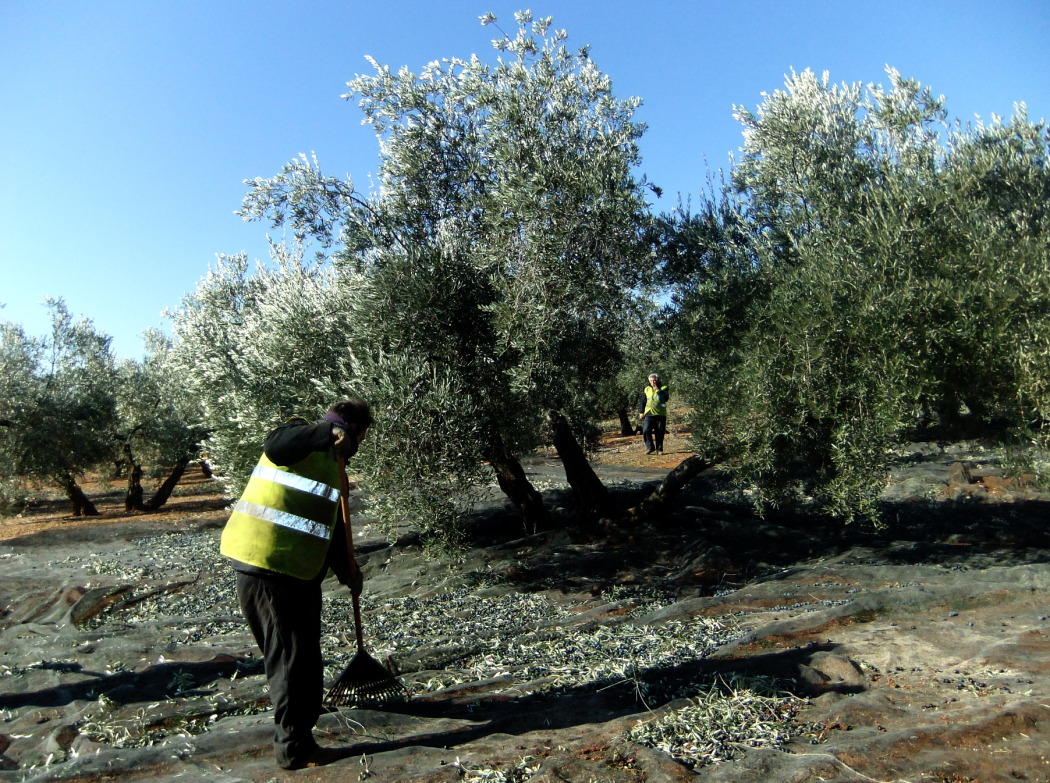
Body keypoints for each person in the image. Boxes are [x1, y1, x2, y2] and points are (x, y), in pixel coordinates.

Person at [220, 398, 372, 770]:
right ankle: (294, 750)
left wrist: (349, 572)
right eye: (361, 438)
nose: (360, 446)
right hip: (268, 566)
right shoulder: (299, 438)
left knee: (303, 659)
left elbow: (335, 532)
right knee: (290, 662)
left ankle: (300, 735)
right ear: (353, 430)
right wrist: (327, 431)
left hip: (298, 572)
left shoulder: (335, 472)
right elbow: (275, 444)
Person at [638, 373, 669, 455]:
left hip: (660, 414)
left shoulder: (664, 388)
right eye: (651, 381)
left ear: (658, 380)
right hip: (649, 413)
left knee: (659, 432)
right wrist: (641, 412)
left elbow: (665, 399)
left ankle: (659, 449)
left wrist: (658, 391)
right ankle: (650, 447)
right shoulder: (647, 389)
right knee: (646, 430)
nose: (653, 382)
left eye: (654, 380)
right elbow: (643, 402)